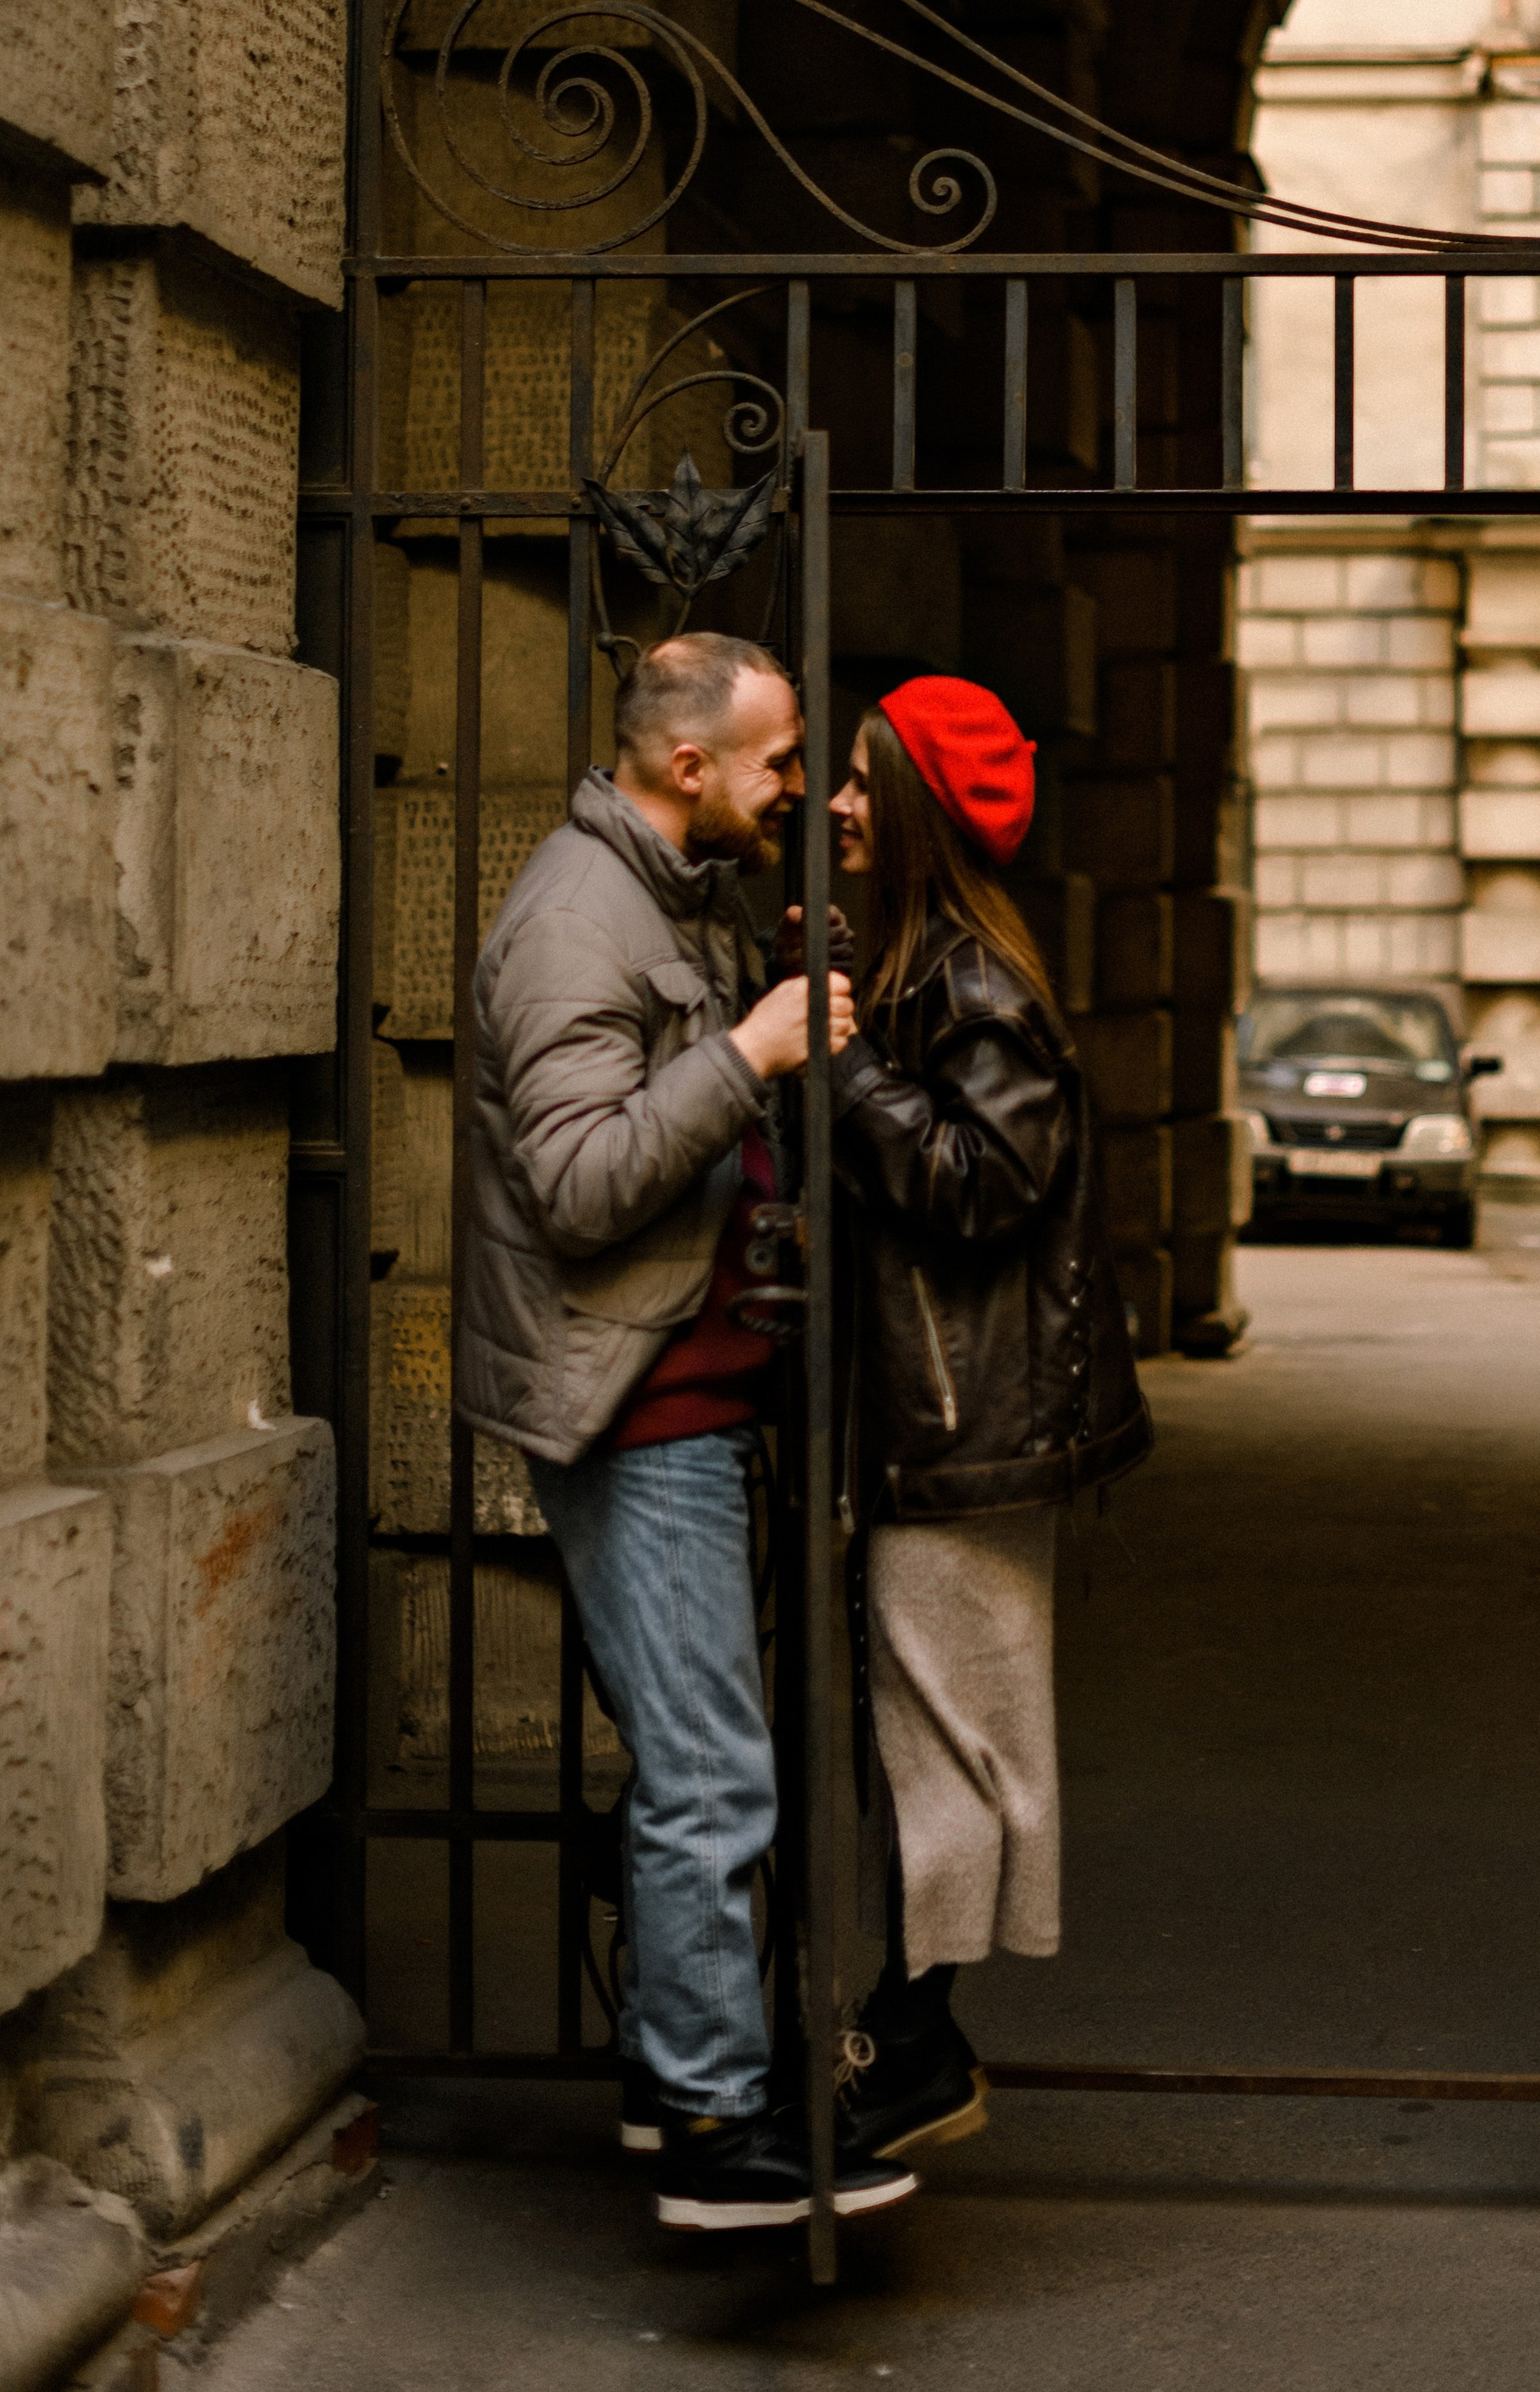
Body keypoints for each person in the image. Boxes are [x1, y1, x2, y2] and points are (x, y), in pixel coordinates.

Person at [457, 630, 917, 2233]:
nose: (797, 787)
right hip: (636, 1403)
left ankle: (681, 2081)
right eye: (781, 759)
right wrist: (749, 1053)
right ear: (689, 765)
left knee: (710, 1760)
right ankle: (723, 2128)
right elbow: (583, 1188)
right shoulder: (575, 922)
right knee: (714, 1775)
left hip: (687, 1386)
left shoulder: (664, 893)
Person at [815, 675, 1154, 2167]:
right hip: (947, 1423)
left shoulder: (974, 985)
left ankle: (914, 2040)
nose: (830, 801)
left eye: (857, 778)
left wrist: (843, 1073)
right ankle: (904, 2031)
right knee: (939, 1738)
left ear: (915, 812)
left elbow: (981, 1184)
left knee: (950, 1744)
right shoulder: (920, 967)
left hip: (965, 1434)